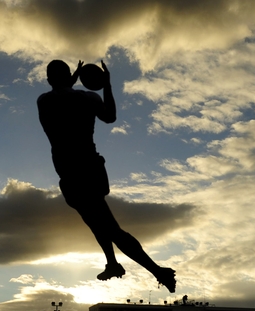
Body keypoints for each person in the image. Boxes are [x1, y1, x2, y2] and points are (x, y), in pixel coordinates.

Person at [37, 60, 176, 292]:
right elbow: (110, 117)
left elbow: (60, 93)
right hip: (92, 167)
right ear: (71, 75)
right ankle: (112, 263)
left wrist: (69, 81)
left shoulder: (44, 100)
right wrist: (107, 86)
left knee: (109, 228)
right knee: (97, 224)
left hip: (71, 173)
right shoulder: (89, 99)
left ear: (49, 79)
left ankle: (157, 270)